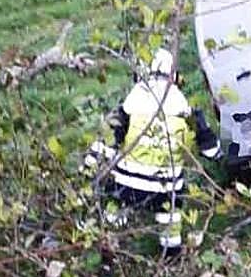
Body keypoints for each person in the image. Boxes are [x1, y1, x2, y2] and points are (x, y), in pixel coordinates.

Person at [83, 48, 220, 255]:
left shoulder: (128, 107)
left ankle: (109, 248)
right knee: (171, 219)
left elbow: (105, 145)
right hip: (166, 189)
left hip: (126, 184)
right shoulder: (187, 112)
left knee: (112, 214)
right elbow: (211, 151)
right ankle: (171, 256)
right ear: (174, 77)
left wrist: (87, 168)